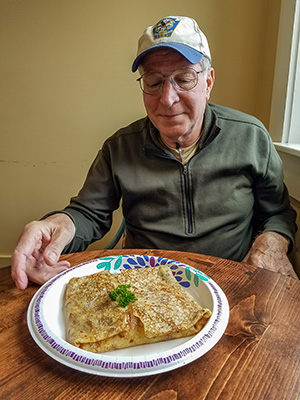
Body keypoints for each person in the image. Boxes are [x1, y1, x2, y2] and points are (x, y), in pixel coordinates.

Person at [11, 16, 298, 289]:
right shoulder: (119, 147)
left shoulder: (250, 136)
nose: (167, 98)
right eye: (153, 82)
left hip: (232, 279)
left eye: (184, 79)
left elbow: (278, 212)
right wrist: (56, 225)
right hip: (147, 285)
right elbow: (89, 213)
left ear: (208, 82)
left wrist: (273, 241)